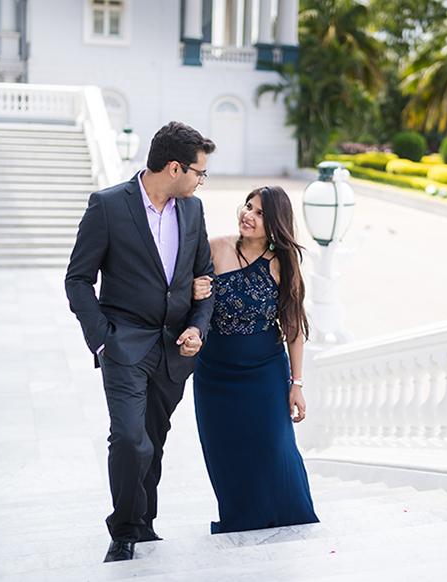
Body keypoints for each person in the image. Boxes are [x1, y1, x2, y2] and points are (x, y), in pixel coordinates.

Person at [65, 121, 216, 563]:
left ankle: (144, 523)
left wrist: (197, 328)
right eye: (199, 172)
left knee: (153, 439)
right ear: (175, 168)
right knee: (131, 440)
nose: (201, 181)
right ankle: (124, 531)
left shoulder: (193, 210)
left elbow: (204, 278)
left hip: (174, 350)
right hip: (124, 345)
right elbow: (78, 279)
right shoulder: (108, 206)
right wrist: (102, 340)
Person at [191, 185, 319, 534]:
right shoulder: (214, 248)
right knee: (224, 451)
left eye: (260, 212)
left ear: (275, 222)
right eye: (248, 206)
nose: (248, 215)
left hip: (264, 374)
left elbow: (293, 327)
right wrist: (193, 290)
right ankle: (241, 520)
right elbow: (185, 297)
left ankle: (290, 518)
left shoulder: (282, 264)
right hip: (214, 376)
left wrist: (296, 384)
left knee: (275, 447)